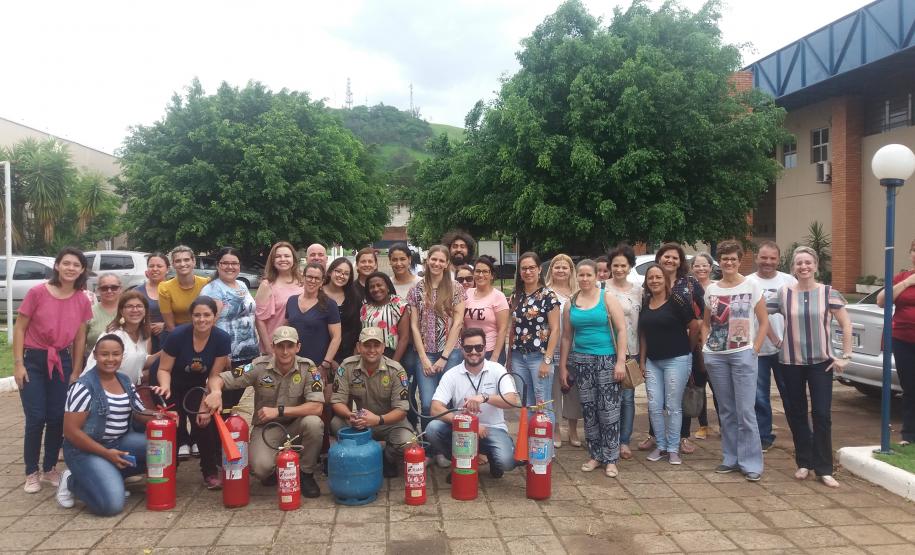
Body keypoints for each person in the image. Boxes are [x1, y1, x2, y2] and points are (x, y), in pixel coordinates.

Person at [203, 326, 324, 498]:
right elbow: (218, 379)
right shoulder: (258, 366)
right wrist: (216, 392)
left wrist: (279, 411)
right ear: (273, 347)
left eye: (290, 346)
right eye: (280, 346)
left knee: (314, 423)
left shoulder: (309, 368)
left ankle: (306, 473)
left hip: (297, 425)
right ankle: (276, 468)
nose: (285, 351)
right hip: (267, 427)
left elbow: (317, 407)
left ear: (298, 347)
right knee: (261, 469)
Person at [13, 247, 92, 493]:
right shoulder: (37, 292)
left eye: (76, 265)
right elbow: (20, 327)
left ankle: (49, 468)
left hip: (62, 360)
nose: (70, 268)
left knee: (58, 417)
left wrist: (76, 370)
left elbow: (80, 338)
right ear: (57, 265)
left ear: (82, 270)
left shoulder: (82, 299)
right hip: (33, 360)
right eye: (66, 263)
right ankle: (31, 472)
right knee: (36, 417)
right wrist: (18, 364)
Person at [777, 246, 852, 488]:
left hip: (822, 363)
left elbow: (846, 324)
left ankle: (824, 468)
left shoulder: (828, 293)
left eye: (808, 262)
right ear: (793, 268)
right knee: (797, 412)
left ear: (816, 266)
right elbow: (761, 314)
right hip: (791, 362)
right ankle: (804, 462)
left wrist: (846, 356)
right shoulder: (784, 293)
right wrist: (775, 341)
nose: (804, 267)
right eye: (799, 263)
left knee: (821, 414)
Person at [57, 334, 150, 515]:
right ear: (95, 355)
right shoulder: (83, 387)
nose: (110, 359)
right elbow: (70, 432)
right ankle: (72, 481)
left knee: (162, 449)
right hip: (84, 451)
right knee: (111, 506)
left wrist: (161, 415)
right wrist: (106, 454)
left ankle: (109, 476)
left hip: (118, 443)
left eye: (116, 354)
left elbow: (140, 412)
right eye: (104, 354)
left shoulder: (125, 381)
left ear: (122, 356)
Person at [702, 240, 770, 482]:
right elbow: (706, 322)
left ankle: (751, 463)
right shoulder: (712, 290)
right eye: (724, 259)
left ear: (740, 261)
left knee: (746, 411)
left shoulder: (751, 285)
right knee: (727, 410)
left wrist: (755, 349)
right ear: (719, 262)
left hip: (743, 354)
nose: (728, 262)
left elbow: (764, 321)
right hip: (716, 356)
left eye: (733, 259)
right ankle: (730, 458)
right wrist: (705, 346)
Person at [153, 296, 231, 489]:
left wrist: (208, 401)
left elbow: (214, 376)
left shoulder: (222, 338)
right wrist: (165, 387)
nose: (202, 319)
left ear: (215, 316)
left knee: (203, 422)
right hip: (168, 382)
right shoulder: (177, 336)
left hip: (196, 385)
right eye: (197, 315)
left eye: (207, 315)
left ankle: (210, 472)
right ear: (191, 317)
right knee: (172, 424)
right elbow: (163, 369)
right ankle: (167, 471)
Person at [560, 260, 628, 477]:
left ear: (596, 276)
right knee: (589, 410)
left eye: (589, 275)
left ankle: (611, 458)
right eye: (581, 275)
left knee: (608, 410)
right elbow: (566, 337)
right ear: (576, 277)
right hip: (581, 361)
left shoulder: (607, 298)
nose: (585, 279)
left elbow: (621, 330)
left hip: (607, 359)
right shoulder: (571, 303)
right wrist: (563, 366)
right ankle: (595, 455)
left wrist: (620, 361)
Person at [425, 328, 520, 478]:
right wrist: (469, 423)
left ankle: (492, 457)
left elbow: (512, 400)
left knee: (506, 462)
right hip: (462, 429)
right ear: (462, 349)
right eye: (468, 348)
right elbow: (435, 409)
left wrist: (485, 397)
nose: (474, 352)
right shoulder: (452, 374)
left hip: (492, 429)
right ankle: (461, 461)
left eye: (478, 347)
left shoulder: (497, 369)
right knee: (432, 428)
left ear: (485, 348)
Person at [639, 243, 705, 455]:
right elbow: (644, 330)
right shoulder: (646, 297)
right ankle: (658, 439)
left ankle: (679, 440)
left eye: (675, 257)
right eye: (666, 256)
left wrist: (689, 346)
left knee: (676, 401)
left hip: (679, 354)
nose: (670, 260)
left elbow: (699, 318)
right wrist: (642, 360)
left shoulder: (687, 286)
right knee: (655, 402)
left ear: (680, 261)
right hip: (654, 357)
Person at [407, 245, 466, 467]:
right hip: (425, 353)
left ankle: (445, 449)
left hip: (450, 353)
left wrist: (445, 356)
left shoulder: (456, 288)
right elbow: (414, 325)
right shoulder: (416, 289)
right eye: (434, 259)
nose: (437, 264)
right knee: (427, 403)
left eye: (442, 260)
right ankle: (429, 449)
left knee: (447, 402)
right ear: (427, 260)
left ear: (447, 263)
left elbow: (458, 322)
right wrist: (423, 358)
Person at [331, 327, 414, 478]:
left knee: (408, 442)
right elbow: (337, 401)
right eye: (367, 345)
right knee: (336, 423)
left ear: (383, 347)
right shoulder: (346, 367)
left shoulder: (396, 370)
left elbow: (401, 410)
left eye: (376, 345)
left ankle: (387, 456)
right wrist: (350, 415)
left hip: (388, 422)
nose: (372, 350)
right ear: (358, 347)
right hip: (359, 422)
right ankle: (359, 456)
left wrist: (378, 419)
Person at [747, 242, 797, 451]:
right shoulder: (747, 282)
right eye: (764, 257)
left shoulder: (789, 281)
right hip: (757, 348)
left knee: (791, 394)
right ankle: (763, 437)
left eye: (772, 258)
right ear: (756, 258)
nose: (768, 262)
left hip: (786, 350)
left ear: (778, 259)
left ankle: (801, 435)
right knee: (759, 397)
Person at [201, 247, 259, 409]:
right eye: (225, 263)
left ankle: (229, 423)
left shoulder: (242, 285)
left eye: (234, 263)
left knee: (236, 395)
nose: (230, 267)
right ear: (218, 265)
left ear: (239, 266)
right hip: (226, 356)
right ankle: (218, 425)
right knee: (223, 397)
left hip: (247, 354)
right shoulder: (213, 289)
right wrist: (222, 354)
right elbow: (208, 325)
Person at [508, 252, 560, 430]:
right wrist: (509, 358)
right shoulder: (516, 295)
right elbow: (513, 328)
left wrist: (547, 360)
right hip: (518, 357)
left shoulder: (548, 296)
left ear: (539, 270)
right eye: (524, 268)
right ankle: (532, 444)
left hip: (539, 357)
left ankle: (545, 446)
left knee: (542, 404)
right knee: (527, 404)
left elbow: (555, 330)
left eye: (531, 268)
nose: (528, 272)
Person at [877, 238, 915, 445]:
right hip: (903, 340)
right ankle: (909, 435)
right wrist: (908, 282)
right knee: (909, 388)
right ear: (910, 254)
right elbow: (882, 301)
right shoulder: (902, 277)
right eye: (914, 250)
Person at [606, 244, 642, 460]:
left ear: (630, 267)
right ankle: (608, 437)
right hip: (607, 350)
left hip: (632, 350)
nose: (619, 269)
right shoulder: (602, 289)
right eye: (615, 265)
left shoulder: (639, 290)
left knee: (628, 398)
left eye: (623, 265)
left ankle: (624, 441)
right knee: (609, 398)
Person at [545, 254, 581, 448]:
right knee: (554, 391)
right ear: (551, 270)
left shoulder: (579, 292)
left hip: (576, 347)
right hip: (554, 348)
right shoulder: (546, 292)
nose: (560, 270)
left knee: (574, 391)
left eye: (564, 267)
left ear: (571, 270)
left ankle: (573, 429)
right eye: (557, 267)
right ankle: (556, 428)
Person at [86, 291, 155, 385]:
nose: (135, 310)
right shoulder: (114, 336)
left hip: (126, 389)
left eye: (139, 306)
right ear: (121, 311)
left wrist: (166, 351)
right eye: (129, 306)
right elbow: (97, 366)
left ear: (145, 310)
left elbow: (140, 359)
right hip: (102, 388)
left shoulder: (143, 335)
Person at [689, 252, 719, 440]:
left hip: (716, 342)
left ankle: (724, 424)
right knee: (698, 385)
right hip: (695, 343)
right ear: (692, 268)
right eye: (697, 265)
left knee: (718, 386)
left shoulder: (718, 287)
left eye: (704, 265)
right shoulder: (688, 289)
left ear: (711, 267)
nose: (701, 268)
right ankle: (703, 425)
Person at [254, 241, 304, 355]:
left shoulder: (302, 282)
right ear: (272, 260)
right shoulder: (267, 285)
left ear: (293, 259)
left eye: (287, 256)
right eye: (278, 256)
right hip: (276, 347)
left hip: (298, 345)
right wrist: (269, 349)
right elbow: (259, 320)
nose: (283, 259)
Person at [463, 255, 509, 364]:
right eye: (477, 271)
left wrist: (495, 357)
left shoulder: (498, 296)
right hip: (470, 350)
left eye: (485, 271)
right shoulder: (467, 293)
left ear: (492, 275)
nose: (480, 275)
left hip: (490, 350)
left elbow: (502, 329)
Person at [360, 272, 410, 361]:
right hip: (368, 355)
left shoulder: (398, 305)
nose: (376, 289)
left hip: (391, 354)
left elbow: (404, 338)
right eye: (372, 287)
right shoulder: (365, 307)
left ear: (388, 287)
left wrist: (393, 363)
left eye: (379, 285)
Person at [159, 246, 209, 332]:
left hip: (205, 330)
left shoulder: (206, 284)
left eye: (186, 260)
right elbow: (170, 325)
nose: (182, 264)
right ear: (173, 264)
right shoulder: (165, 288)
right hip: (178, 332)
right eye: (178, 261)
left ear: (193, 261)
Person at [323, 257, 362, 363]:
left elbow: (357, 327)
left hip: (346, 355)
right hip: (321, 352)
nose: (341, 276)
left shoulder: (354, 297)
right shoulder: (318, 293)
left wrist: (354, 354)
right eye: (338, 271)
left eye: (346, 274)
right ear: (330, 272)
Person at [134, 252, 169, 352]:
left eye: (159, 266)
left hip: (169, 339)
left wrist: (165, 325)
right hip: (142, 339)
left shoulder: (175, 289)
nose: (155, 269)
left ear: (167, 269)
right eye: (151, 266)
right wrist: (144, 326)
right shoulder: (137, 292)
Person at [87, 274, 122, 349]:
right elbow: (79, 341)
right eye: (104, 288)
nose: (109, 291)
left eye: (114, 287)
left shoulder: (130, 311)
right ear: (98, 290)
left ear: (120, 289)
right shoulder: (88, 312)